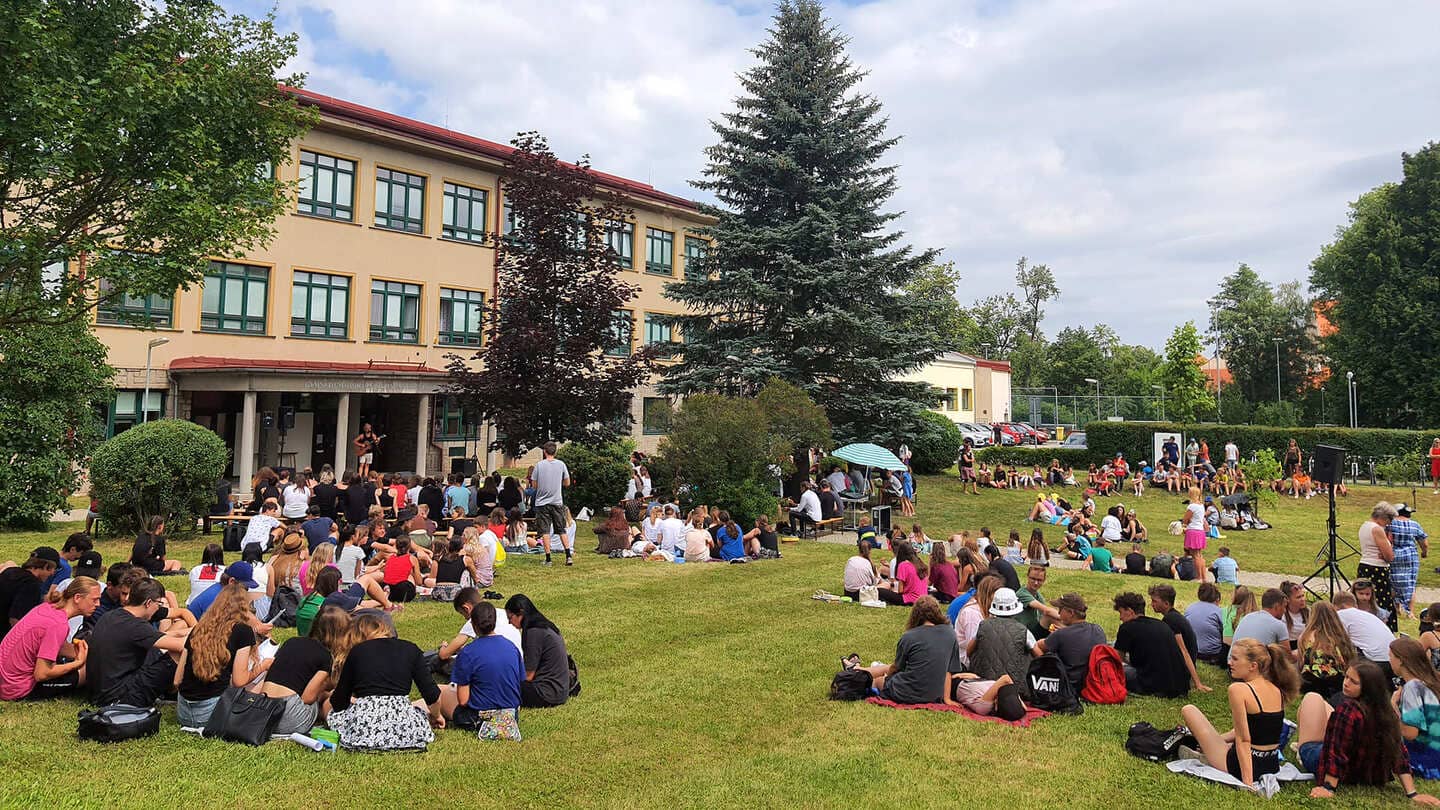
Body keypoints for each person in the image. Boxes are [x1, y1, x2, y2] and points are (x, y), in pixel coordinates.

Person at [1296, 661, 1440, 803]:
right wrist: (1412, 793)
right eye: (1346, 677)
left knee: (1312, 698)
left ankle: (1300, 749)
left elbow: (1337, 752)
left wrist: (1328, 787)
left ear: (1367, 687)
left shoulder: (1348, 711)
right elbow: (1398, 752)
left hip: (1337, 768)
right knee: (1327, 710)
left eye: (1354, 681)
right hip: (1369, 775)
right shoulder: (1386, 712)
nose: (1346, 683)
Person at [1179, 638, 1299, 787]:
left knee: (1189, 710)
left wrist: (1247, 782)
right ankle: (1207, 749)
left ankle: (1206, 756)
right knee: (1224, 741)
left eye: (1235, 659)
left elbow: (1243, 739)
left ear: (1253, 666)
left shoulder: (1238, 689)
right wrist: (1218, 740)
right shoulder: (1277, 689)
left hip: (1241, 765)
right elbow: (1257, 728)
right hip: (1271, 765)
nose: (1230, 663)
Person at [328, 612, 443, 750]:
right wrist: (437, 716)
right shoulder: (410, 649)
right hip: (406, 728)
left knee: (331, 712)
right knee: (418, 708)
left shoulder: (357, 652)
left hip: (364, 730)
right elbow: (432, 695)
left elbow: (339, 701)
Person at [85, 577, 188, 706]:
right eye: (159, 604)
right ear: (148, 603)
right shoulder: (136, 626)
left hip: (100, 692)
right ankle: (182, 693)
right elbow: (182, 646)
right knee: (178, 653)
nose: (158, 609)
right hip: (120, 698)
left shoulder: (111, 616)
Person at [175, 582, 263, 727]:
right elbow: (239, 681)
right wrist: (263, 666)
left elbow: (177, 680)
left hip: (183, 712)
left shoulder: (198, 629)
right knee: (258, 682)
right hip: (212, 714)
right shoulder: (243, 631)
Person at [435, 602, 524, 740]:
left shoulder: (468, 653)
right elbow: (519, 683)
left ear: (473, 625)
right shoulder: (512, 648)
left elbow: (463, 700)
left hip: (477, 717)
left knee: (440, 691)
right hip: (511, 715)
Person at [0, 576, 99, 700]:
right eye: (94, 600)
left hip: (4, 680)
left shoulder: (48, 608)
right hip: (17, 689)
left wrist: (83, 652)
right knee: (87, 670)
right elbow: (42, 673)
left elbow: (56, 645)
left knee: (89, 660)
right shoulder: (58, 624)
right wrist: (77, 663)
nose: (98, 604)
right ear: (77, 598)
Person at [259, 604, 348, 736]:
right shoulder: (325, 657)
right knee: (316, 698)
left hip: (263, 711)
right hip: (290, 719)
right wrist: (325, 694)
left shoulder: (291, 641)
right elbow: (307, 698)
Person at [859, 597, 959, 704]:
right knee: (887, 670)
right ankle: (859, 669)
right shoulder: (950, 634)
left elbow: (897, 667)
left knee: (879, 680)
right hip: (934, 695)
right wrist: (947, 699)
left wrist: (887, 677)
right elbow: (949, 670)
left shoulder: (909, 636)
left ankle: (859, 674)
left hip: (906, 693)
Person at [1113, 591, 1191, 698]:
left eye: (1121, 613)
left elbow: (1117, 659)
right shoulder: (1161, 624)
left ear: (1130, 611)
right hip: (1180, 685)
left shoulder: (1127, 628)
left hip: (1152, 685)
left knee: (1113, 668)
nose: (1120, 618)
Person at [504, 594, 572, 708]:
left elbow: (528, 675)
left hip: (548, 693)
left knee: (504, 686)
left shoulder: (533, 633)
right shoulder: (544, 626)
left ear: (521, 613)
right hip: (560, 689)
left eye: (510, 617)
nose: (509, 622)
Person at [967, 588, 1041, 689]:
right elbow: (1039, 656)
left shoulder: (983, 626)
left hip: (982, 685)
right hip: (1014, 688)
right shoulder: (1023, 631)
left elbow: (968, 651)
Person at [1036, 592, 1106, 692]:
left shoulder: (1061, 634)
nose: (1059, 613)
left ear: (1071, 613)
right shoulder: (1098, 629)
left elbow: (1037, 646)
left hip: (1068, 686)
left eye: (1060, 609)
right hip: (1093, 683)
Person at [1392, 637, 1440, 779]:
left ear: (1400, 660)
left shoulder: (1412, 688)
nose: (1389, 661)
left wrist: (1393, 705)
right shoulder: (1431, 681)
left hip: (1424, 763)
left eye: (1390, 656)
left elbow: (1409, 733)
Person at [1150, 584, 1211, 693]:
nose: (1151, 604)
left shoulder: (1171, 620)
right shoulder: (1174, 616)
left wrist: (1198, 683)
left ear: (1166, 603)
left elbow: (1184, 651)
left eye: (1154, 601)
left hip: (1180, 671)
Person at [1298, 601, 1356, 699]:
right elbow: (1348, 659)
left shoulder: (1305, 636)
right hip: (1337, 681)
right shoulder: (1340, 636)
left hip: (1311, 681)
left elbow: (1302, 662)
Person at [1334, 591, 1398, 677]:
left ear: (1334, 607)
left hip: (1374, 662)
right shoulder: (1367, 615)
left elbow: (1337, 642)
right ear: (1355, 605)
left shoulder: (1340, 614)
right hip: (1393, 660)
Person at [530, 442, 573, 567]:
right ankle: (568, 555)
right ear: (555, 452)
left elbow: (534, 485)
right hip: (557, 501)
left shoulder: (539, 465)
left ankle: (548, 558)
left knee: (545, 530)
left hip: (542, 503)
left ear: (544, 451)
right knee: (561, 529)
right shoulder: (561, 465)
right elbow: (567, 483)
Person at [1358, 502, 1399, 631]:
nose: (1389, 523)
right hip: (1377, 569)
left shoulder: (1365, 526)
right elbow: (1389, 556)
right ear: (1383, 517)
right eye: (1389, 519)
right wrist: (1389, 554)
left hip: (1365, 564)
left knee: (1365, 600)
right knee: (1380, 600)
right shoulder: (1377, 529)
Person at [1, 549, 59, 638]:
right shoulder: (31, 585)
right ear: (45, 566)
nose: (52, 573)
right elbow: (15, 619)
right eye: (52, 569)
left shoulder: (11, 571)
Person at [1389, 504, 1428, 621]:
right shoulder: (1415, 525)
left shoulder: (1390, 524)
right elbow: (1424, 542)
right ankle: (1410, 612)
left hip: (1393, 555)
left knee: (1393, 581)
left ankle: (1396, 609)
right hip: (1410, 557)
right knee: (1410, 583)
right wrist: (1424, 552)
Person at [1186, 583, 1227, 666]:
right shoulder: (1219, 611)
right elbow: (1226, 633)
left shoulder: (1190, 608)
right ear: (1217, 598)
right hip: (1212, 653)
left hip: (1191, 650)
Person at [877, 540, 926, 606]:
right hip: (922, 598)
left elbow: (900, 590)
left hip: (909, 599)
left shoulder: (903, 565)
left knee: (880, 591)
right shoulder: (920, 563)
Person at [1016, 565, 1058, 641]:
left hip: (1033, 632)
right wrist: (1067, 619)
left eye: (1039, 580)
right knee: (1050, 616)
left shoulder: (1038, 595)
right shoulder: (1022, 594)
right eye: (1033, 579)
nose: (1035, 583)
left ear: (1044, 580)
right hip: (1023, 635)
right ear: (1027, 577)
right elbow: (1047, 611)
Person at [1179, 486, 1208, 584]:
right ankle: (1204, 577)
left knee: (1195, 555)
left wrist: (1183, 525)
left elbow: (1185, 519)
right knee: (1199, 555)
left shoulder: (1192, 506)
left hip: (1193, 530)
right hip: (1200, 530)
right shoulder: (1201, 505)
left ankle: (1198, 577)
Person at [382, 536, 424, 603]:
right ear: (409, 546)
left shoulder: (390, 557)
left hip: (389, 591)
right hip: (403, 591)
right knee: (409, 577)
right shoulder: (412, 558)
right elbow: (419, 582)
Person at [1282, 580, 1310, 646]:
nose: (1302, 599)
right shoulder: (1283, 616)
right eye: (1298, 597)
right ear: (1288, 599)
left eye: (1303, 595)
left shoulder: (1309, 611)